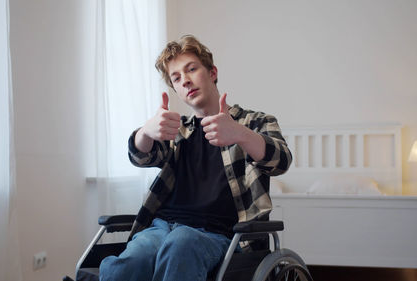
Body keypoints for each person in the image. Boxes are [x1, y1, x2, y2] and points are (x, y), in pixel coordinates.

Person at [99, 35, 292, 281]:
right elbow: (142, 157)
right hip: (161, 227)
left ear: (212, 72)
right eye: (176, 78)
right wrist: (145, 131)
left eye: (192, 69)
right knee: (129, 263)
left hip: (220, 235)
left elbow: (282, 161)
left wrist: (239, 133)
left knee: (181, 244)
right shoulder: (176, 129)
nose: (186, 81)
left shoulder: (255, 122)